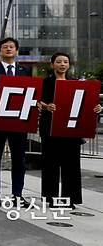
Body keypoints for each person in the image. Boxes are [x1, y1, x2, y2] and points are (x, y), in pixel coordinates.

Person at [38, 52, 102, 208]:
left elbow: (86, 103)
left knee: (71, 166)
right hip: (51, 130)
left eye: (65, 61)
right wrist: (46, 106)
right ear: (52, 64)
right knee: (50, 165)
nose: (62, 64)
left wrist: (97, 107)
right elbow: (37, 101)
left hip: (71, 130)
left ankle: (70, 199)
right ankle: (50, 198)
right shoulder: (45, 83)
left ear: (69, 65)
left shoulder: (77, 83)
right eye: (58, 61)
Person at [0, 37, 33, 208]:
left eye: (12, 47)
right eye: (5, 47)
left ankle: (17, 194)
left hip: (18, 121)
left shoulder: (25, 71)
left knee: (19, 159)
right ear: (0, 51)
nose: (9, 49)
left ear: (17, 51)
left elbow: (30, 93)